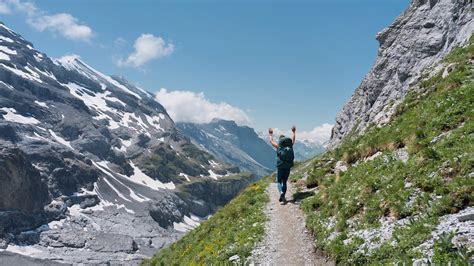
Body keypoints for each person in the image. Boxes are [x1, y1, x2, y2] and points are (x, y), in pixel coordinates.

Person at [268, 126, 296, 203]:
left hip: (280, 165)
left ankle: (281, 193)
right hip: (288, 166)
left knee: (279, 181)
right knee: (284, 181)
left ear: (280, 141)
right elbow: (293, 139)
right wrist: (293, 132)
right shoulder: (290, 146)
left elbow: (271, 141)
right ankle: (283, 195)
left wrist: (270, 134)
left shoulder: (279, 146)